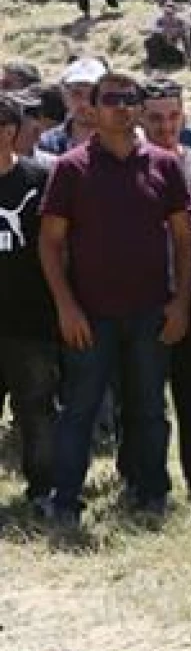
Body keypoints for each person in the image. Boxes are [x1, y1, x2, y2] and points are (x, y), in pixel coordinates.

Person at [40, 69, 191, 521]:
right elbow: (50, 243)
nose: (121, 107)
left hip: (150, 312)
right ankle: (64, 499)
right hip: (91, 314)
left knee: (149, 408)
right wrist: (65, 306)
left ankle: (151, 492)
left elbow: (185, 240)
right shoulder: (71, 167)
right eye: (111, 99)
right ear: (93, 104)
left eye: (130, 99)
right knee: (80, 411)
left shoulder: (164, 165)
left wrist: (181, 301)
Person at [138, 80, 191, 500]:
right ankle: (144, 478)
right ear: (139, 118)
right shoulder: (130, 166)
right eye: (155, 117)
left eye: (173, 116)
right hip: (142, 296)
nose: (165, 126)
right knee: (142, 397)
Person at [0, 93, 56, 510]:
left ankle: (42, 490)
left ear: (12, 132)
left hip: (30, 319)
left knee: (36, 407)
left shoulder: (40, 179)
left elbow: (58, 248)